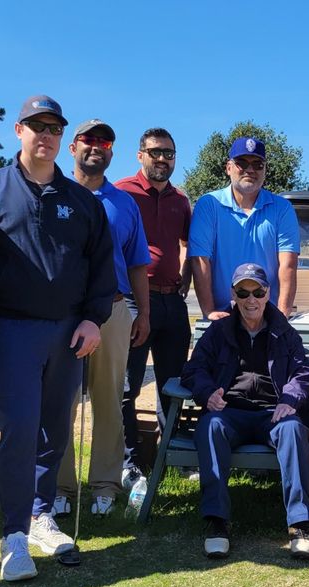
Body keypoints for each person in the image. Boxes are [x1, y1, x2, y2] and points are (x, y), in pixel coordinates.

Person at [0, 95, 119, 582]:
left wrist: (94, 319)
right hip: (9, 330)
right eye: (37, 126)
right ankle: (13, 535)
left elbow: (101, 267)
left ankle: (38, 515)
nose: (46, 135)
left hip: (68, 333)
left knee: (55, 429)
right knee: (18, 432)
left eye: (54, 128)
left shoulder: (81, 202)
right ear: (18, 131)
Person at [180, 263, 309, 559]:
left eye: (258, 291)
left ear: (268, 294)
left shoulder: (284, 331)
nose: (251, 299)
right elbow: (193, 369)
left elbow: (304, 373)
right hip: (231, 411)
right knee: (211, 425)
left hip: (273, 413)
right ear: (234, 294)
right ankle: (217, 523)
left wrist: (289, 399)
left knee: (293, 429)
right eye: (243, 292)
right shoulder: (219, 331)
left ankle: (300, 525)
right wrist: (207, 393)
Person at [53, 119, 152, 517]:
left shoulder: (124, 202)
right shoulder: (53, 192)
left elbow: (137, 263)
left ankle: (106, 484)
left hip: (111, 310)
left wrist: (142, 312)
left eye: (105, 142)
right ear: (73, 147)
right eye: (90, 140)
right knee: (60, 401)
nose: (97, 147)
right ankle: (58, 486)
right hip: (62, 312)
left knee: (111, 400)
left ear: (113, 151)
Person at [115, 128, 193, 483]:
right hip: (132, 302)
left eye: (169, 154)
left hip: (171, 301)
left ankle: (172, 455)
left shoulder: (180, 200)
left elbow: (191, 244)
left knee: (173, 385)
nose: (162, 159)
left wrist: (186, 282)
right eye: (156, 152)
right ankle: (130, 463)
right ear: (140, 155)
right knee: (128, 387)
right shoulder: (121, 193)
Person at [189, 136, 299, 318]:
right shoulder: (209, 204)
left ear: (265, 170)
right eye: (242, 163)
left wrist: (282, 314)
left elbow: (288, 264)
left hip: (267, 317)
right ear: (228, 167)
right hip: (223, 316)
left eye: (257, 164)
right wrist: (209, 311)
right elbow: (200, 260)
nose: (250, 170)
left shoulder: (282, 208)